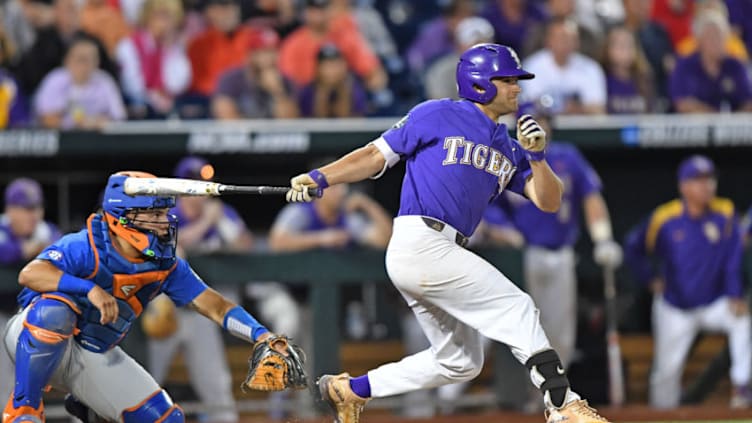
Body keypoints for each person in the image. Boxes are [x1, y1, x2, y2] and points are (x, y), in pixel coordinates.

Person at [285, 42, 611, 423]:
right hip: (420, 240)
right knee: (515, 305)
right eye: (507, 80)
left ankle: (352, 390)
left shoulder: (510, 146)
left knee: (461, 362)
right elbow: (375, 156)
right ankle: (562, 403)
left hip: (441, 251)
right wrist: (323, 177)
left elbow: (549, 201)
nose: (517, 88)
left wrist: (538, 158)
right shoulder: (436, 113)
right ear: (479, 83)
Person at [1, 171, 286, 422]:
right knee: (54, 311)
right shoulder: (86, 245)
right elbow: (30, 273)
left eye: (164, 214)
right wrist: (90, 289)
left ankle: (91, 406)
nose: (164, 222)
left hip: (92, 352)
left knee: (167, 419)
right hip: (34, 336)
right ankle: (23, 409)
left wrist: (261, 335)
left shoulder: (164, 263)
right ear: (124, 217)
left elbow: (216, 306)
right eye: (154, 215)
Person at [624, 155, 752, 409]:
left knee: (742, 320)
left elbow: (732, 259)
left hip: (714, 302)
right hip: (676, 306)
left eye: (709, 179)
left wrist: (734, 294)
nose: (706, 186)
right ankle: (662, 414)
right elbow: (633, 247)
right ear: (683, 186)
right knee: (666, 373)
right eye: (698, 180)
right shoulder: (666, 217)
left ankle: (741, 387)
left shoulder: (724, 212)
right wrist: (649, 279)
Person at [0, 178, 61, 409]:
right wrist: (25, 249)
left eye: (36, 208)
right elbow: (4, 252)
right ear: (10, 210)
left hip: (34, 317)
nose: (32, 215)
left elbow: (60, 248)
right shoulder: (2, 228)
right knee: (4, 381)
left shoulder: (47, 231)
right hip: (2, 314)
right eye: (26, 209)